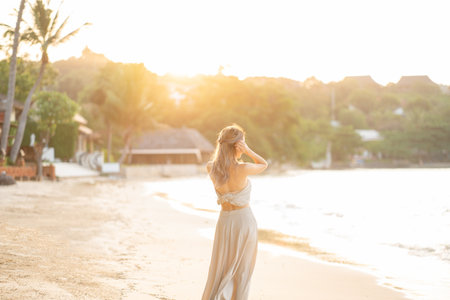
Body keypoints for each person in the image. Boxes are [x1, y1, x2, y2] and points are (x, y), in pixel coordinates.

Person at [202, 124, 268, 300]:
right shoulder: (243, 168)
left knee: (220, 268)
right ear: (238, 146)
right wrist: (248, 150)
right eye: (242, 144)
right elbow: (264, 164)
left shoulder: (211, 168)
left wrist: (240, 148)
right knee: (242, 272)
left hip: (224, 222)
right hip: (244, 221)